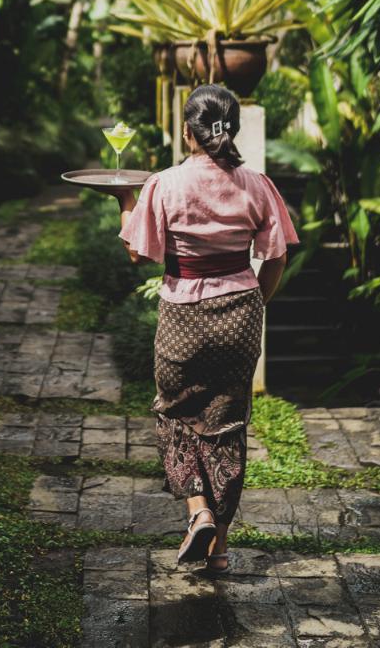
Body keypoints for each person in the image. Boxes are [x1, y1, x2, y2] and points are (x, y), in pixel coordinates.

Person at [116, 82, 298, 574]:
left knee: (176, 415)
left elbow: (138, 252)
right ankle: (217, 550)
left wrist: (123, 199)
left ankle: (198, 511)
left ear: (186, 132)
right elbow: (277, 255)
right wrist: (254, 300)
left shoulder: (165, 183)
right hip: (239, 311)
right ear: (231, 129)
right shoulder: (257, 184)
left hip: (182, 316)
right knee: (228, 423)